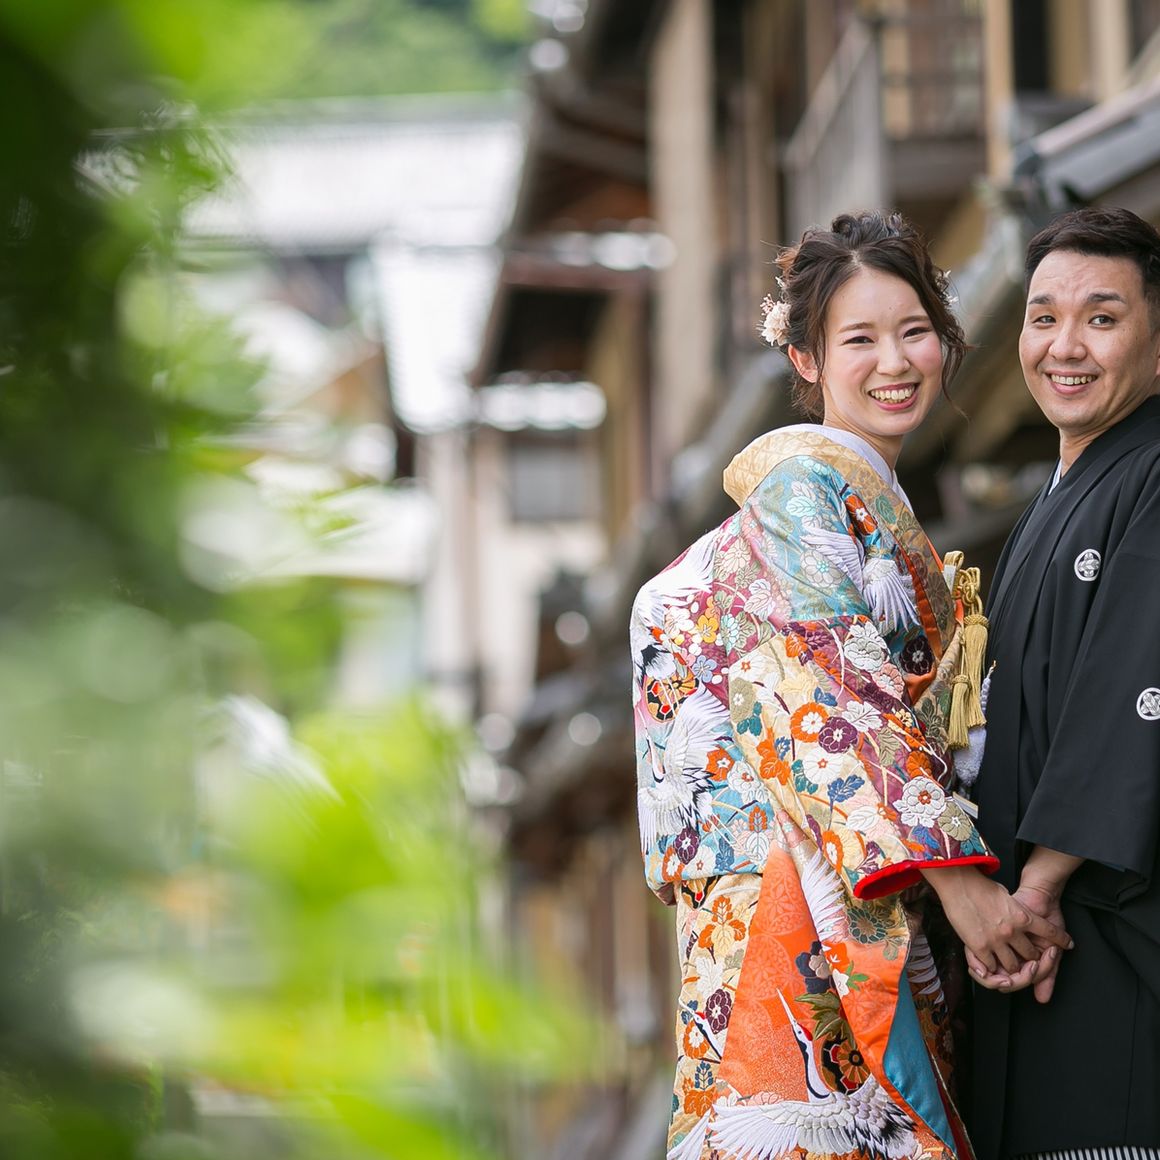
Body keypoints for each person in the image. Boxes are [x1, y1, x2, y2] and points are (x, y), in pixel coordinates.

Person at [631, 210, 1069, 1160]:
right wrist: (964, 890)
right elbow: (829, 693)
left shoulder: (862, 497)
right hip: (797, 906)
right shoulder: (803, 491)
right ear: (806, 359)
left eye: (915, 331)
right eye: (859, 340)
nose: (896, 362)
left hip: (845, 879)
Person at [968, 206, 1160, 1160]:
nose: (1065, 346)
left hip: (1105, 931)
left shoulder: (1153, 471)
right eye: (1043, 317)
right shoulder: (1043, 508)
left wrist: (1039, 883)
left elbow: (1138, 683)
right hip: (1022, 942)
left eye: (1103, 317)